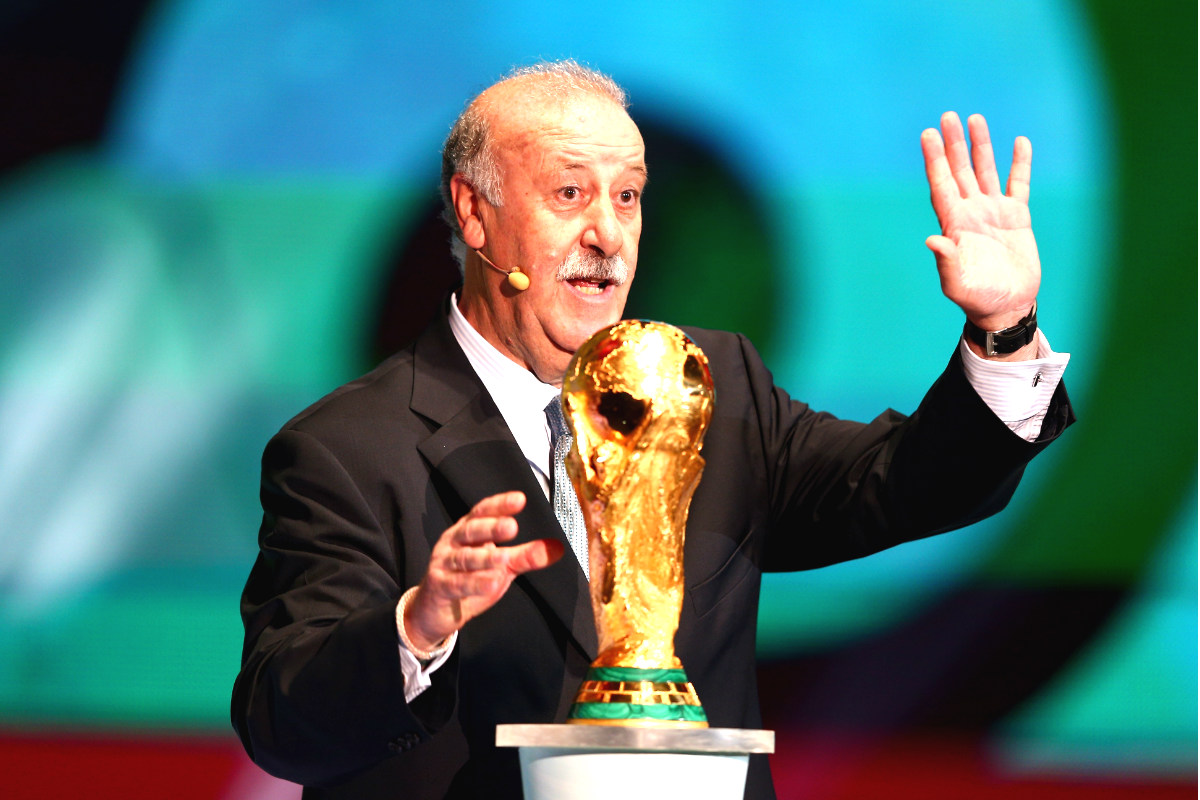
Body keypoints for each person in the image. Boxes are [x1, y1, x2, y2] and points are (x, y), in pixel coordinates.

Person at [232, 61, 1072, 800]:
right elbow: (284, 723)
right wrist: (417, 624)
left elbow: (905, 485)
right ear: (474, 213)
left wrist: (1002, 327)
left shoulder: (707, 385)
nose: (607, 233)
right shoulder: (347, 449)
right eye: (569, 193)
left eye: (627, 196)